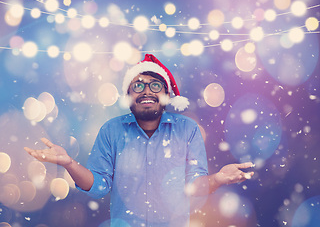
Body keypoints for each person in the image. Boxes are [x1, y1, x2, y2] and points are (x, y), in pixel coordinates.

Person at [25, 54, 254, 227]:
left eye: (155, 85)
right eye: (138, 85)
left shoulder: (188, 130)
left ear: (166, 93)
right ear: (128, 96)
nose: (147, 91)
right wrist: (68, 163)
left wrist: (218, 179)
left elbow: (194, 187)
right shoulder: (111, 131)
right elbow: (98, 187)